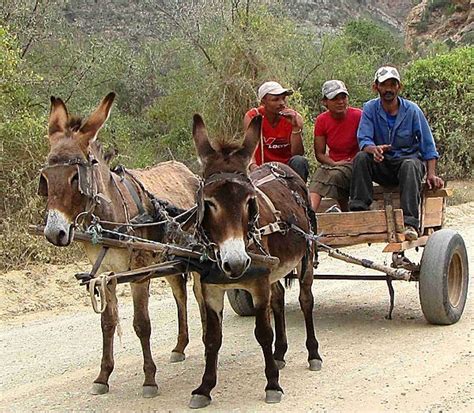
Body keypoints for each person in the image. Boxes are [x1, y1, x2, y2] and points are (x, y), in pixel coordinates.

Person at [349, 66, 444, 241]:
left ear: (399, 87)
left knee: (410, 164)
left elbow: (428, 146)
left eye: (393, 85)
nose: (389, 89)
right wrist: (374, 149)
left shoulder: (412, 110)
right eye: (384, 85)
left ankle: (410, 223)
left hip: (407, 166)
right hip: (382, 164)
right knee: (361, 157)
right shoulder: (370, 108)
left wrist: (431, 174)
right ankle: (359, 210)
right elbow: (364, 139)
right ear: (375, 87)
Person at [309, 80, 362, 212]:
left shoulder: (358, 116)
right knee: (321, 173)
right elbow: (320, 154)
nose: (340, 102)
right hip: (335, 164)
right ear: (325, 102)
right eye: (335, 99)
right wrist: (334, 163)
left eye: (343, 97)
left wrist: (349, 162)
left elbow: (367, 143)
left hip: (356, 163)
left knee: (335, 175)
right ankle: (310, 215)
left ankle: (311, 216)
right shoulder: (322, 120)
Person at [244, 81, 309, 181]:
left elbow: (297, 153)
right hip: (263, 167)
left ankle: (300, 193)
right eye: (275, 100)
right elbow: (249, 147)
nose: (282, 103)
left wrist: (296, 128)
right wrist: (253, 166)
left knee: (300, 161)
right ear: (263, 102)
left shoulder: (293, 117)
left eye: (283, 98)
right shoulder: (253, 116)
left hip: (287, 168)